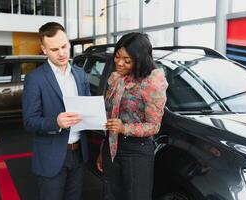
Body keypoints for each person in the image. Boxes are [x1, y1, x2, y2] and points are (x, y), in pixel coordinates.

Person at [22, 22, 90, 200]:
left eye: (64, 46)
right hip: (50, 158)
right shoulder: (34, 79)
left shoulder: (80, 74)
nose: (61, 53)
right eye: (54, 49)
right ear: (44, 49)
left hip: (79, 155)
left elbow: (88, 106)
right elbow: (29, 121)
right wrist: (55, 122)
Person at [96, 32, 168, 200]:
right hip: (111, 147)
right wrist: (103, 149)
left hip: (137, 151)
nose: (119, 63)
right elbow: (109, 119)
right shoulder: (116, 78)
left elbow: (154, 126)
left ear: (140, 59)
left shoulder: (151, 82)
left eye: (127, 60)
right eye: (117, 57)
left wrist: (124, 127)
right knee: (110, 196)